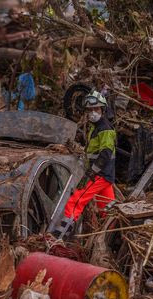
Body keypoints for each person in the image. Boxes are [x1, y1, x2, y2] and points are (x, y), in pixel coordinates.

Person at [54, 91, 116, 238]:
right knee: (108, 209)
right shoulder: (96, 127)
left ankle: (59, 238)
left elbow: (105, 154)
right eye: (90, 110)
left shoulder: (105, 129)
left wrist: (91, 173)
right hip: (105, 175)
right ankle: (113, 237)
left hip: (100, 174)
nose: (93, 113)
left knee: (76, 200)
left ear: (103, 110)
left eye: (97, 109)